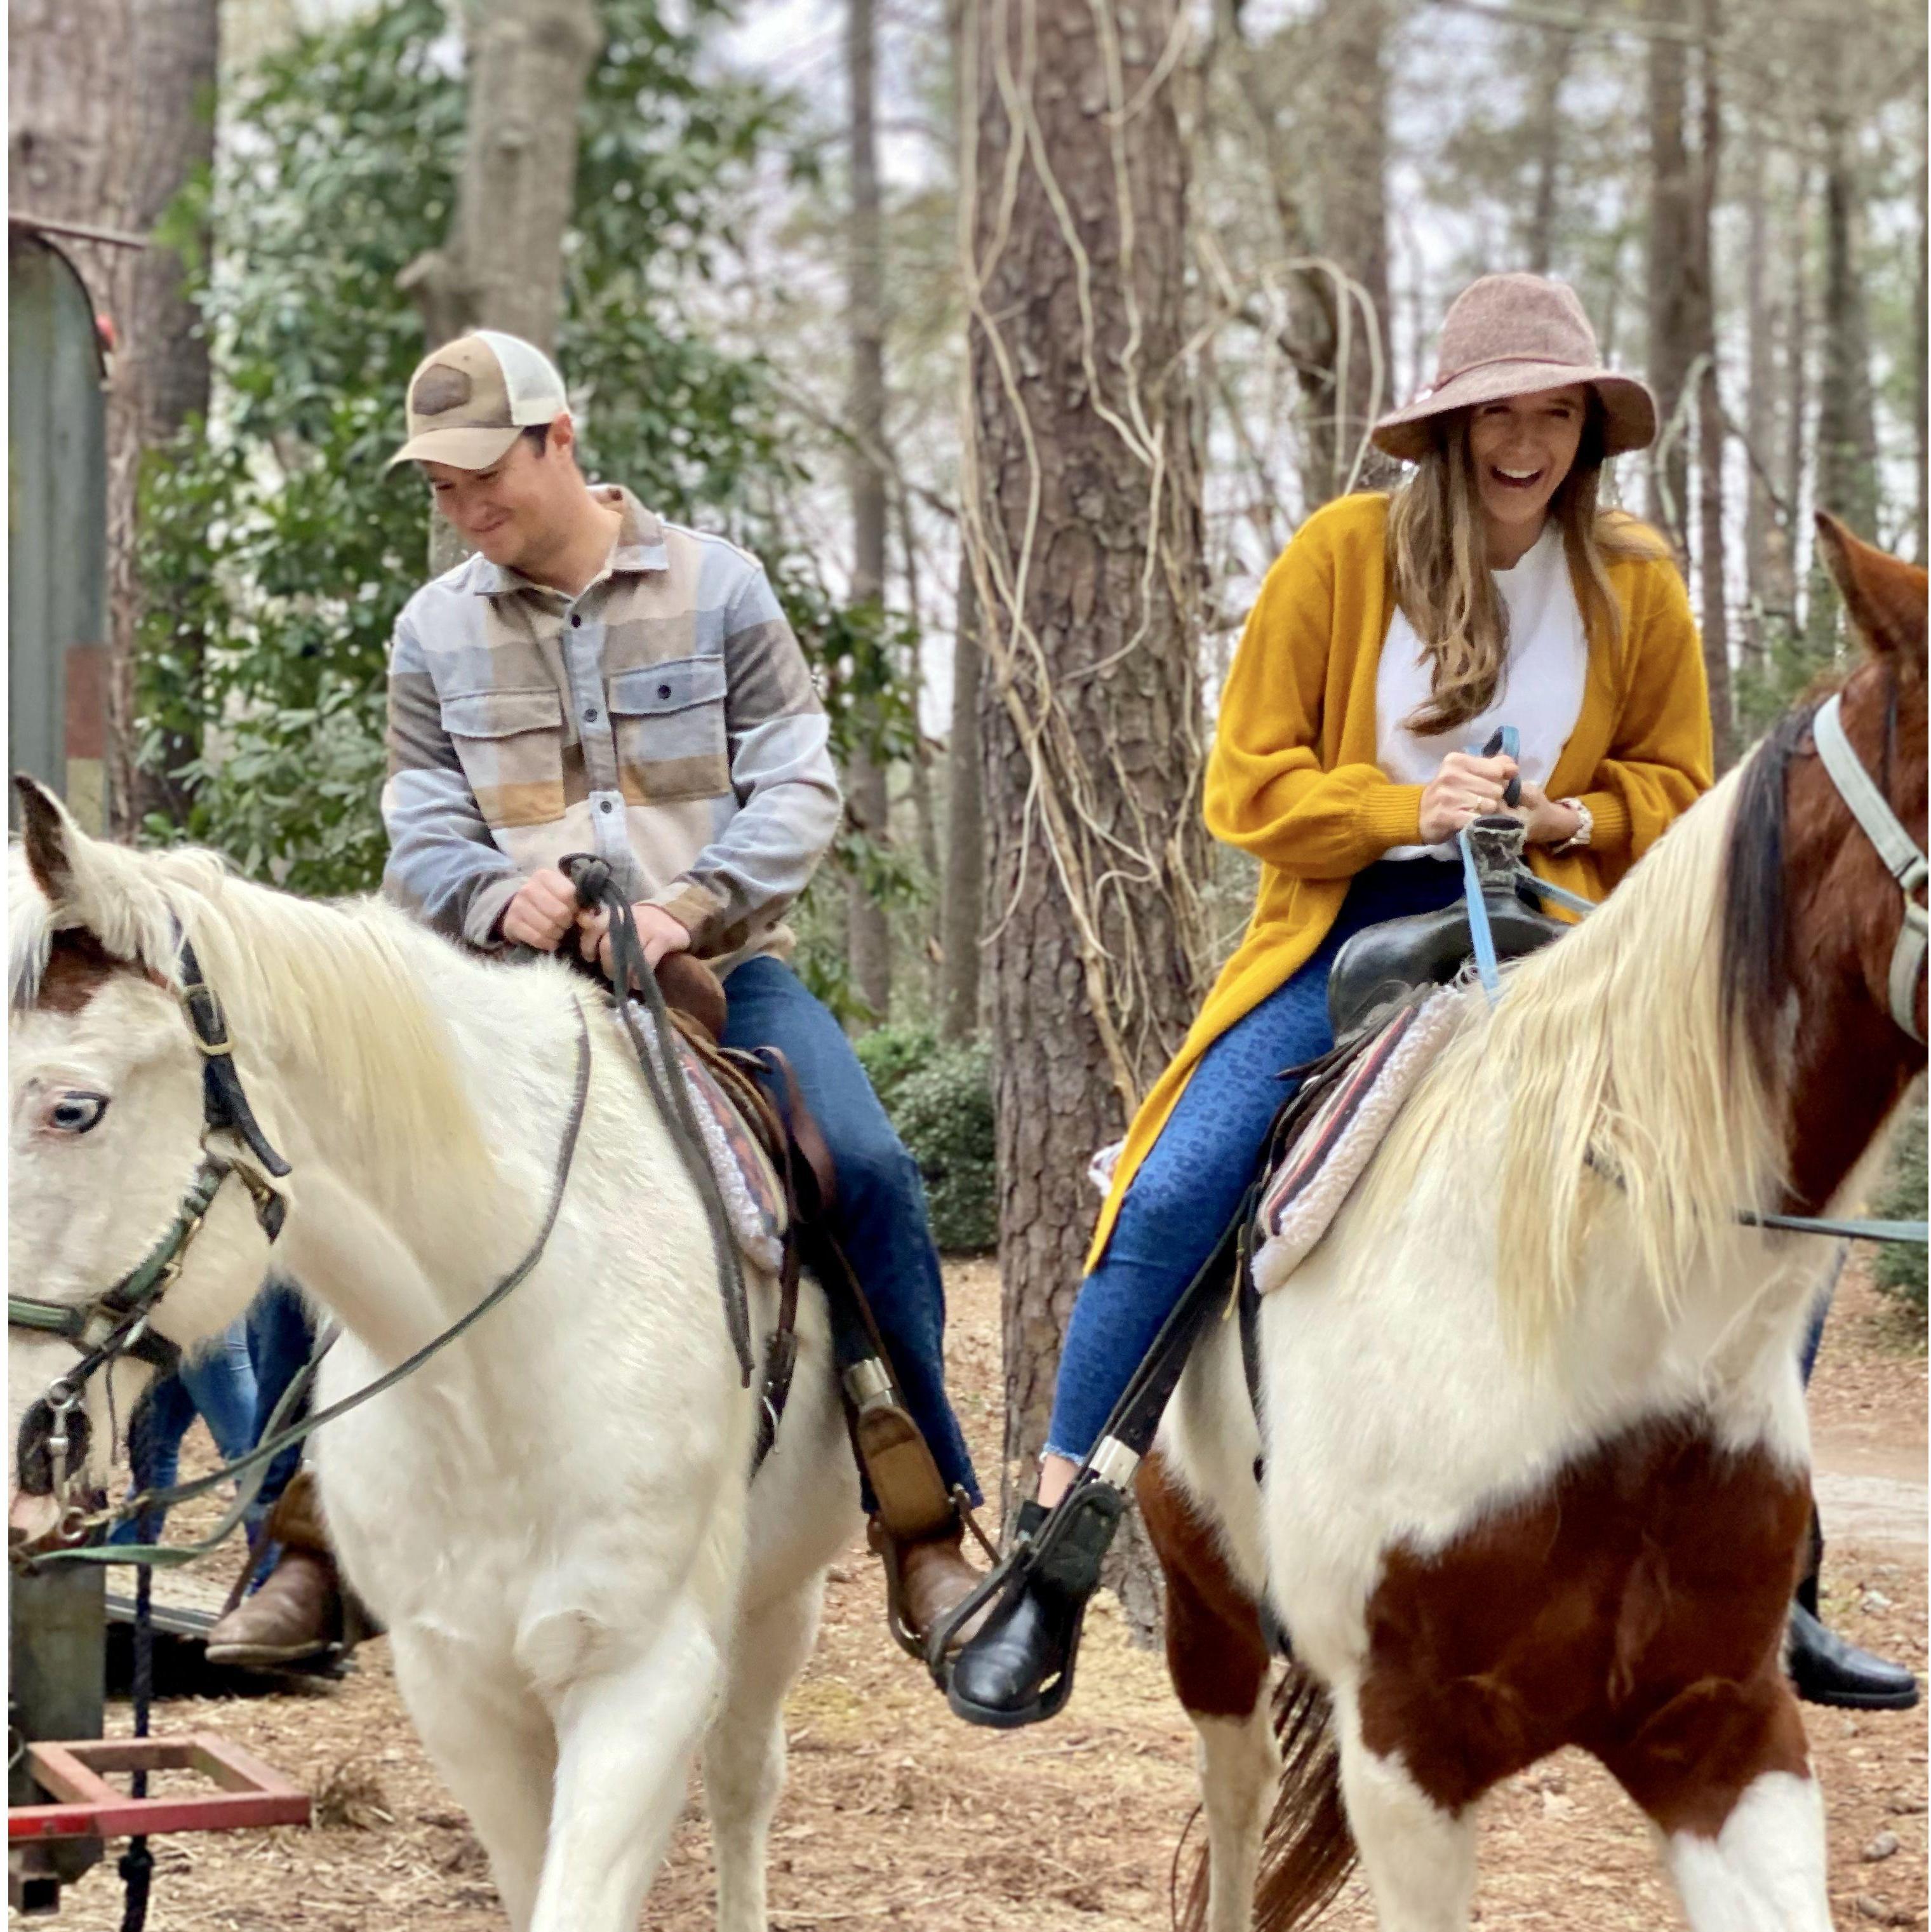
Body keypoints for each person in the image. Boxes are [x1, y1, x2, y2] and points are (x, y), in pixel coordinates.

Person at [948, 271, 1912, 1726]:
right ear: (1449, 430)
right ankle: (1050, 1560)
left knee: (1768, 1193)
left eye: (1554, 414)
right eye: (1497, 416)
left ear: (1589, 429)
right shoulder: (1342, 557)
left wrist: (1569, 820)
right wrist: (1412, 808)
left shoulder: (1637, 580)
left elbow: (1680, 792)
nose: (1525, 443)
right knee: (1175, 1185)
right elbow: (1247, 786)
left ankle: (1778, 1576)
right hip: (1351, 925)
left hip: (1576, 934)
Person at [373, 328, 985, 1651]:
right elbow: (419, 827)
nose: (467, 508)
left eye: (486, 474)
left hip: (720, 975)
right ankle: (310, 1533)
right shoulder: (430, 631)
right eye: (441, 489)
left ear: (561, 438)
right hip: (515, 995)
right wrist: (494, 896)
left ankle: (924, 1521)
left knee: (867, 1174)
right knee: (364, 1167)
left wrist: (681, 910)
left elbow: (800, 787)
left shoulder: (721, 590)